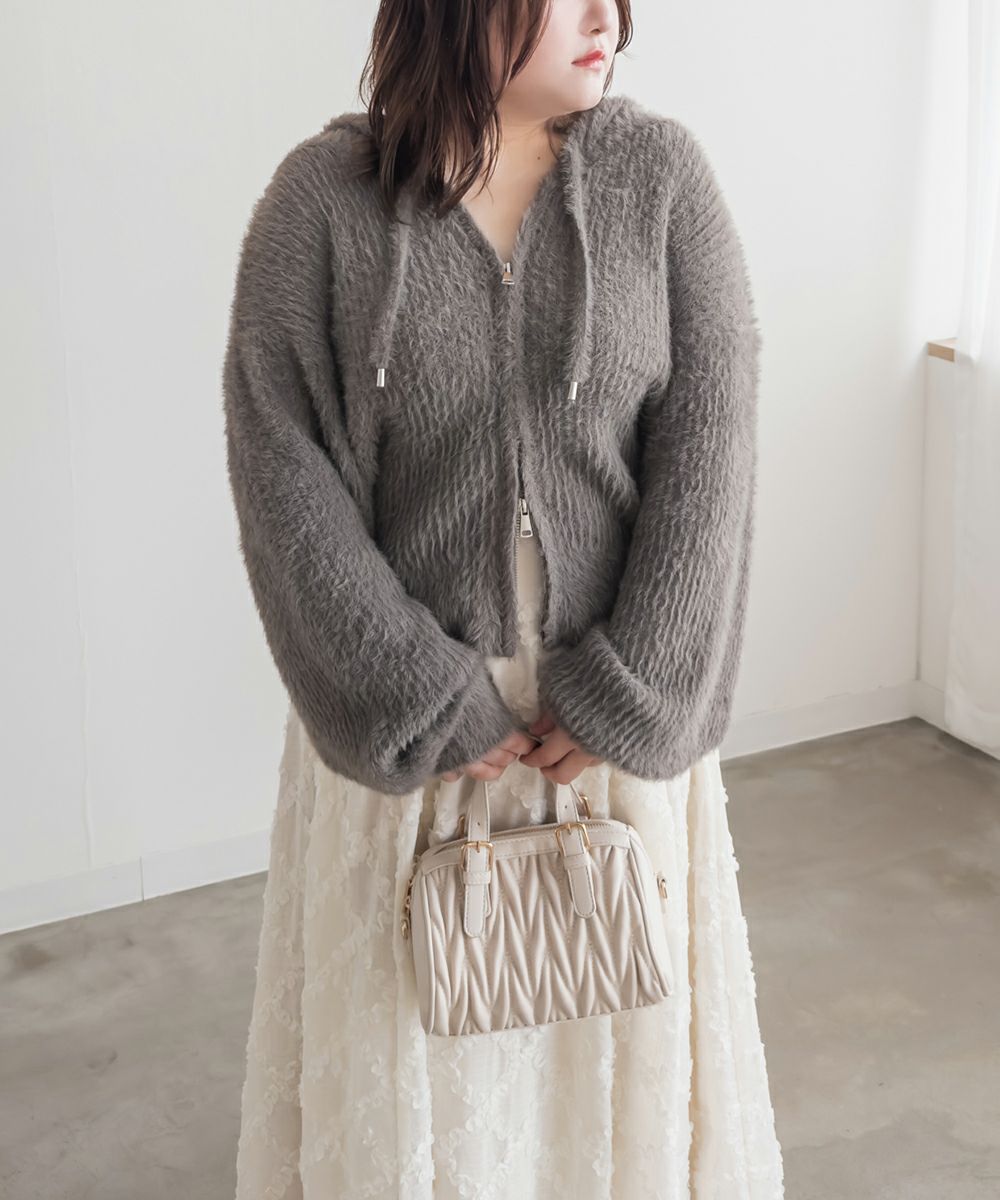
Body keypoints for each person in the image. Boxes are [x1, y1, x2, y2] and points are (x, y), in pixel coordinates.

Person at [222, 1, 785, 1195]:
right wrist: (419, 693)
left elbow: (713, 446)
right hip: (414, 737)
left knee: (609, 1060)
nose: (604, 18)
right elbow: (281, 471)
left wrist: (633, 687)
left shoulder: (660, 182)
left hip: (608, 731)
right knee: (420, 1056)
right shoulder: (321, 206)